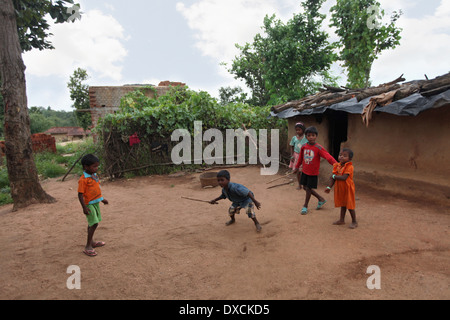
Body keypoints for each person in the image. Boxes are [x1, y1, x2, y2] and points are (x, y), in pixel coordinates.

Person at [293, 126, 337, 215]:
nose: (311, 137)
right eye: (309, 135)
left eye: (313, 135)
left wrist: (337, 164)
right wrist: (296, 167)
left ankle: (305, 206)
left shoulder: (318, 147)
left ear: (316, 136)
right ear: (306, 137)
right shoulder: (304, 146)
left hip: (313, 173)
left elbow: (327, 156)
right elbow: (300, 158)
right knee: (305, 187)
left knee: (308, 188)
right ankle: (321, 199)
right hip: (305, 171)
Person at [78, 154, 109, 257]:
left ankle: (91, 242)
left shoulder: (94, 175)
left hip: (95, 203)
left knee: (92, 222)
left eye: (97, 166)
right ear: (86, 167)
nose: (96, 168)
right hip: (88, 204)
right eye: (94, 167)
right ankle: (88, 247)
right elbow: (80, 194)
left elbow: (96, 190)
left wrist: (102, 199)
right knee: (94, 223)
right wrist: (84, 207)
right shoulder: (83, 180)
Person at [325, 148, 357, 229]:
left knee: (349, 205)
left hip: (348, 188)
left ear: (350, 159)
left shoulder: (350, 167)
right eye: (340, 155)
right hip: (340, 188)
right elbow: (333, 178)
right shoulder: (337, 166)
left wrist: (333, 176)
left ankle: (354, 221)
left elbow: (343, 178)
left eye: (344, 156)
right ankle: (341, 220)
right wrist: (329, 187)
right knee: (343, 204)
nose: (341, 157)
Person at [289, 122, 308, 189]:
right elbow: (291, 146)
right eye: (296, 130)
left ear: (303, 129)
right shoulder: (294, 138)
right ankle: (299, 184)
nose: (297, 131)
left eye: (299, 130)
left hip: (304, 156)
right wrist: (292, 156)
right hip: (296, 155)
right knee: (298, 171)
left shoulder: (306, 137)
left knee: (304, 170)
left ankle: (305, 184)